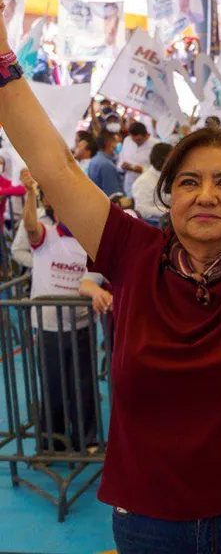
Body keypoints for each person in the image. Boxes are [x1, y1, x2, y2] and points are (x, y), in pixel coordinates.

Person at [0, 0, 221, 552]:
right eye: (188, 182)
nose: (204, 195)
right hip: (148, 524)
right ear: (168, 197)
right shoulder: (130, 253)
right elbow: (56, 166)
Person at [22, 171, 99, 453]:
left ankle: (87, 439)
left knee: (84, 384)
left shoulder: (90, 239)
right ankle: (51, 441)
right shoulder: (46, 235)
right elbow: (30, 226)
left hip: (82, 324)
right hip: (49, 325)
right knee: (52, 384)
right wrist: (29, 192)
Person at [131, 142, 172, 224]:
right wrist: (170, 211)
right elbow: (143, 209)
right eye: (171, 159)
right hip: (154, 224)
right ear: (162, 160)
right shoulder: (144, 181)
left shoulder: (166, 175)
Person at [117, 122, 157, 195]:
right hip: (129, 186)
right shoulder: (127, 140)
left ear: (146, 135)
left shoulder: (156, 145)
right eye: (134, 140)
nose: (136, 142)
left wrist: (142, 170)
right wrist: (123, 167)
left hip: (148, 187)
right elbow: (120, 161)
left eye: (139, 140)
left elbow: (159, 169)